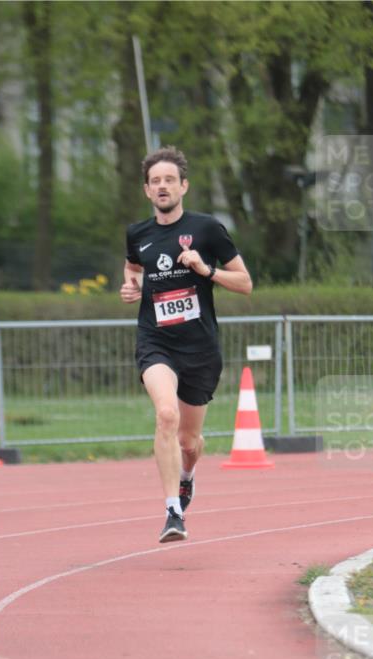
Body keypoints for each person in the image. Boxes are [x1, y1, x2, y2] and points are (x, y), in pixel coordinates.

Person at [120, 146, 252, 543]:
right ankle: (172, 512)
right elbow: (133, 269)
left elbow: (245, 284)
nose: (162, 186)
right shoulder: (137, 234)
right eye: (155, 181)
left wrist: (205, 269)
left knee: (189, 443)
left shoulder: (208, 229)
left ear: (184, 186)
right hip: (156, 341)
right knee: (165, 414)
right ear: (147, 190)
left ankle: (188, 476)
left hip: (199, 348)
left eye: (169, 180)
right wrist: (131, 285)